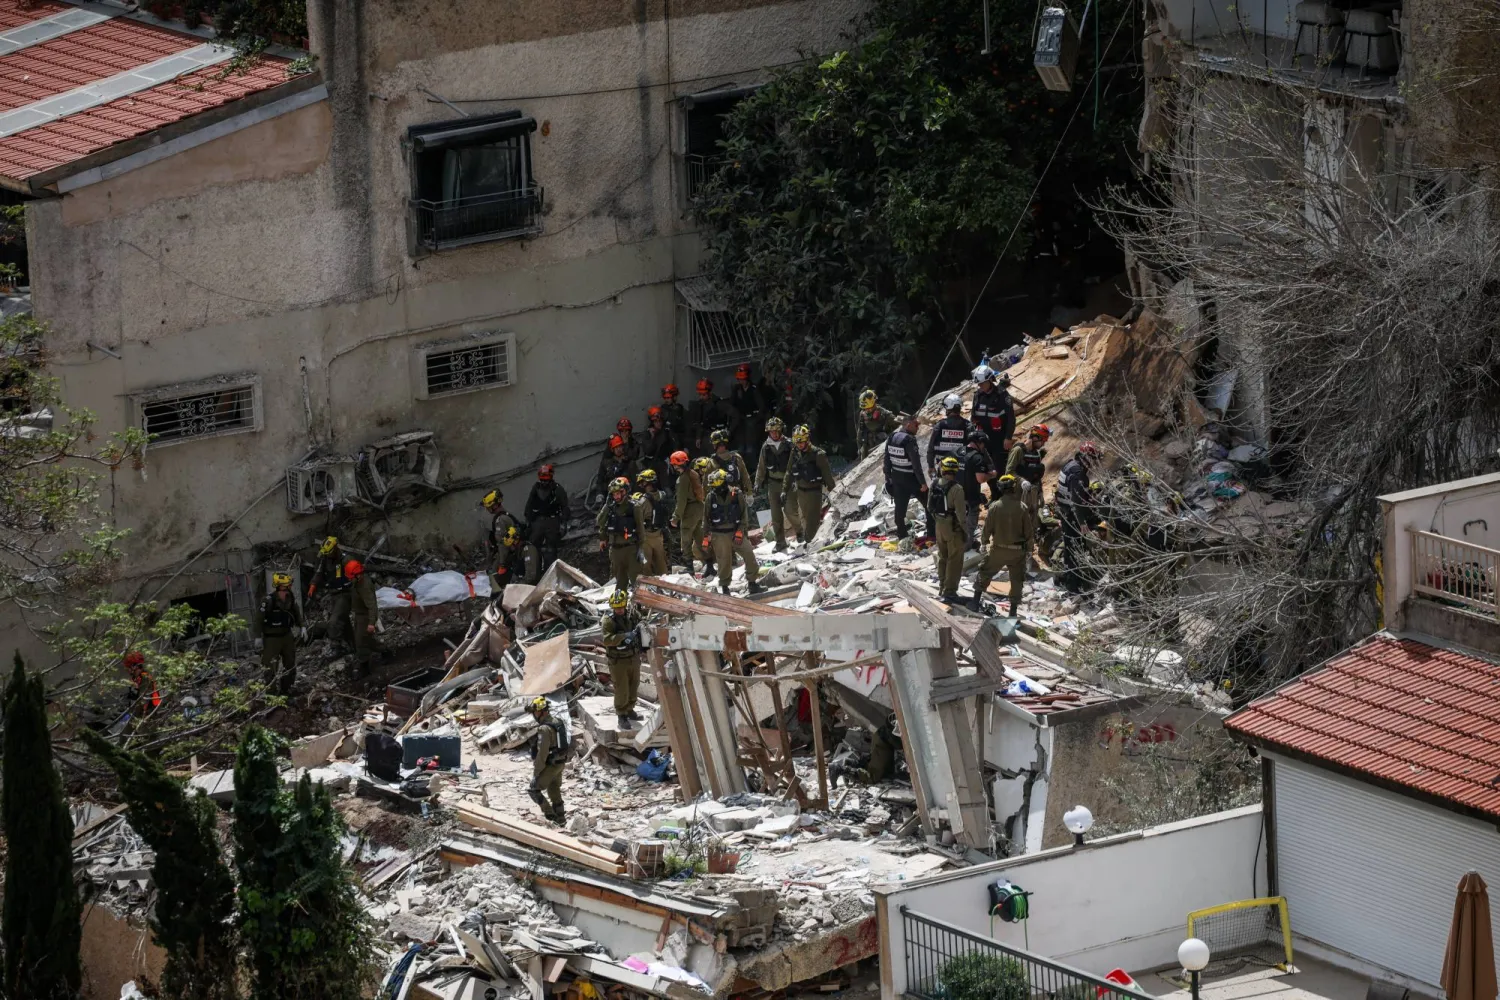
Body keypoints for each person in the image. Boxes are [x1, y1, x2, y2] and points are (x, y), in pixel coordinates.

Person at [973, 474, 1036, 616]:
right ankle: (1012, 612)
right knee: (1017, 580)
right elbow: (1029, 532)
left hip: (998, 550)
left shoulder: (995, 507)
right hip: (1017, 552)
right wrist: (1029, 551)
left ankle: (975, 602)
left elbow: (987, 528)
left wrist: (984, 543)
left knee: (985, 572)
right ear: (1014, 488)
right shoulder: (1022, 507)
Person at [705, 468, 764, 595]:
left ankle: (752, 583)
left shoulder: (736, 494)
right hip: (719, 535)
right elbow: (706, 519)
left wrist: (741, 531)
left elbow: (744, 515)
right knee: (724, 562)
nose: (714, 488)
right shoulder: (711, 497)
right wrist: (706, 537)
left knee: (749, 555)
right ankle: (725, 588)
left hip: (736, 531)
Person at [1055, 441, 1101, 593]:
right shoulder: (1078, 474)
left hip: (1065, 512)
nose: (1094, 463)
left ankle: (1071, 580)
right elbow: (1076, 501)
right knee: (1076, 549)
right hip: (1072, 516)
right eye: (1093, 459)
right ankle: (1074, 586)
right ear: (1086, 457)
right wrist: (1082, 522)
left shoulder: (1070, 465)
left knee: (1070, 549)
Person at [600, 589, 644, 727]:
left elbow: (642, 624)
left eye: (620, 607)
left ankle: (630, 709)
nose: (618, 610)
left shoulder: (632, 615)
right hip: (618, 661)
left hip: (634, 657)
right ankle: (621, 714)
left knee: (634, 684)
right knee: (621, 688)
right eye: (616, 607)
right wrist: (624, 637)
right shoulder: (608, 620)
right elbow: (607, 640)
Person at [755, 416, 798, 551]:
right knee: (776, 515)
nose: (773, 434)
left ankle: (801, 533)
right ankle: (780, 542)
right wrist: (757, 482)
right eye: (771, 431)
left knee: (791, 511)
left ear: (780, 431)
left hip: (788, 483)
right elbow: (761, 466)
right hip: (773, 484)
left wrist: (797, 480)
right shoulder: (766, 446)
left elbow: (797, 464)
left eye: (776, 431)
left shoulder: (789, 444)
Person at [787, 424, 835, 542]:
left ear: (807, 440)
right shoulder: (795, 453)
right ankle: (812, 541)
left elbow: (827, 476)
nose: (799, 445)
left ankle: (810, 544)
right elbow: (789, 472)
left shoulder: (818, 455)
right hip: (800, 491)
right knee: (805, 519)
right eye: (797, 443)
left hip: (814, 492)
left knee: (812, 521)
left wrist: (834, 493)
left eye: (802, 442)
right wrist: (784, 489)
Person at [929, 456, 967, 604]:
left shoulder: (934, 484)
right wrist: (965, 531)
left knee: (942, 557)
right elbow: (961, 514)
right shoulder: (957, 489)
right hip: (953, 527)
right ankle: (950, 592)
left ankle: (942, 587)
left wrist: (939, 520)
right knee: (955, 560)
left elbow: (929, 507)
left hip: (939, 525)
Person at [883, 413, 928, 539]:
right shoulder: (909, 440)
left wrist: (888, 478)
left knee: (900, 510)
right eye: (915, 425)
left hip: (897, 479)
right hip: (912, 479)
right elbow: (916, 465)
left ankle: (902, 535)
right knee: (929, 504)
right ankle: (932, 533)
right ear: (908, 425)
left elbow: (886, 460)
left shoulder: (892, 437)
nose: (917, 428)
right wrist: (923, 483)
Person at [259, 572, 304, 696]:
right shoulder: (268, 601)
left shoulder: (290, 598)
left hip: (286, 636)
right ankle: (271, 693)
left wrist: (302, 626)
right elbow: (258, 619)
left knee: (290, 663)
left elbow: (296, 612)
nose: (290, 587)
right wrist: (257, 636)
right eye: (287, 585)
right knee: (270, 667)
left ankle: (287, 688)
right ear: (280, 586)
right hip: (271, 639)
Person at [527, 697, 570, 823]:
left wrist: (536, 773)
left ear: (541, 712)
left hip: (550, 765)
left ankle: (550, 815)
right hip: (560, 763)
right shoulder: (558, 721)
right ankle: (561, 818)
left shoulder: (544, 729)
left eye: (535, 712)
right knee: (553, 788)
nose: (534, 715)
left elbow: (542, 753)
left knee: (534, 790)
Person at [596, 476, 643, 590]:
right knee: (617, 583)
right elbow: (600, 521)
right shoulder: (610, 507)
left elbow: (641, 529)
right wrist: (606, 506)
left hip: (631, 549)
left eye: (619, 493)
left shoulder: (634, 507)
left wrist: (641, 548)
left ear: (626, 491)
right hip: (615, 550)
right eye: (614, 494)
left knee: (636, 581)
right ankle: (619, 606)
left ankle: (639, 607)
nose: (616, 496)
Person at [307, 536, 353, 648]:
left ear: (336, 548)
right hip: (334, 594)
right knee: (345, 625)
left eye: (329, 553)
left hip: (345, 594)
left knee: (334, 622)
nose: (327, 555)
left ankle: (336, 645)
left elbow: (358, 577)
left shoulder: (346, 560)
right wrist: (313, 585)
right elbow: (319, 572)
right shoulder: (325, 559)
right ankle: (356, 649)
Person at [673, 454, 712, 577]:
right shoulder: (693, 474)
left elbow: (681, 501)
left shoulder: (682, 479)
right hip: (699, 507)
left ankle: (689, 567)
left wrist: (675, 517)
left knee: (686, 539)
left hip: (689, 510)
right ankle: (710, 565)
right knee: (700, 538)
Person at [525, 464, 569, 570]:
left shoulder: (557, 489)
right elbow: (529, 505)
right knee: (534, 548)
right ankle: (535, 573)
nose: (544, 483)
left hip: (552, 521)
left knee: (550, 549)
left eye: (546, 480)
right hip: (538, 522)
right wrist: (528, 521)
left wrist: (563, 523)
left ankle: (550, 572)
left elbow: (565, 507)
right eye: (542, 480)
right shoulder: (536, 488)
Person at [958, 428, 996, 548]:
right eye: (983, 443)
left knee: (957, 520)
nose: (984, 446)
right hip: (970, 496)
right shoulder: (977, 457)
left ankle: (956, 543)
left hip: (955, 494)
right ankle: (966, 547)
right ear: (979, 442)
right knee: (970, 523)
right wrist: (992, 475)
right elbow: (980, 478)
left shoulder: (957, 451)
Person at [346, 559, 384, 676]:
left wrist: (371, 623)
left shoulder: (365, 586)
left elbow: (372, 606)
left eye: (350, 577)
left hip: (365, 617)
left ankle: (364, 667)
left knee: (361, 641)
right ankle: (385, 651)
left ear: (357, 575)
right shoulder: (357, 583)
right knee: (367, 640)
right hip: (359, 615)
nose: (349, 579)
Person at [970, 364, 1015, 457]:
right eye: (978, 383)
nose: (979, 385)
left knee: (1000, 465)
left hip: (1000, 438)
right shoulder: (977, 396)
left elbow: (1011, 418)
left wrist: (1008, 437)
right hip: (983, 439)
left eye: (982, 383)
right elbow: (974, 417)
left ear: (990, 380)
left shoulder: (1002, 395)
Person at [634, 469, 672, 575]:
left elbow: (636, 519)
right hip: (660, 534)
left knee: (645, 566)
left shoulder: (642, 501)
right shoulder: (663, 495)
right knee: (662, 565)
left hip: (646, 537)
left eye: (642, 482)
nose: (641, 484)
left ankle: (649, 587)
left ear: (646, 483)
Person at [926, 393, 970, 477]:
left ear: (948, 408)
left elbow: (931, 448)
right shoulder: (967, 425)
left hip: (943, 469)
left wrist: (931, 466)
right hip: (962, 469)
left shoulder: (939, 425)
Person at [688, 379, 732, 457]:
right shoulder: (701, 404)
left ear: (709, 393)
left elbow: (734, 415)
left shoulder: (719, 403)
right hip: (706, 435)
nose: (701, 397)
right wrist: (698, 437)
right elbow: (700, 421)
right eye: (700, 394)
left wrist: (729, 431)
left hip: (718, 436)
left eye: (704, 395)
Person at [855, 389, 900, 458]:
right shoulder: (862, 414)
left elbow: (896, 422)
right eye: (865, 409)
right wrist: (859, 448)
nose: (867, 410)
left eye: (868, 408)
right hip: (868, 448)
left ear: (874, 403)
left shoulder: (883, 413)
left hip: (882, 447)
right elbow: (860, 432)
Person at [729, 363, 763, 454]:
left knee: (750, 447)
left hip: (752, 419)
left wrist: (756, 419)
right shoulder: (736, 389)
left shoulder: (754, 389)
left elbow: (761, 406)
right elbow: (732, 404)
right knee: (740, 447)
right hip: (740, 420)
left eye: (743, 379)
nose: (741, 381)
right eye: (739, 379)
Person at [1006, 424, 1050, 492]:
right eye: (1043, 441)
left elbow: (1037, 478)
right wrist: (1022, 482)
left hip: (1031, 493)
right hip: (1017, 493)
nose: (1043, 444)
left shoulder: (1037, 453)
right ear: (1035, 438)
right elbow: (1009, 472)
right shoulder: (1018, 450)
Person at [595, 435, 637, 501]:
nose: (618, 449)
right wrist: (599, 494)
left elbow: (636, 482)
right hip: (612, 497)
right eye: (616, 447)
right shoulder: (606, 463)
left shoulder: (630, 463)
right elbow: (600, 481)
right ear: (612, 449)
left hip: (628, 497)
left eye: (620, 446)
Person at [640, 406, 676, 480]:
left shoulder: (667, 431)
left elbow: (674, 445)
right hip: (652, 464)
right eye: (656, 421)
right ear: (652, 422)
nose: (658, 423)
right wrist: (653, 437)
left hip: (665, 462)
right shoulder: (648, 433)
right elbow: (648, 451)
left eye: (660, 421)